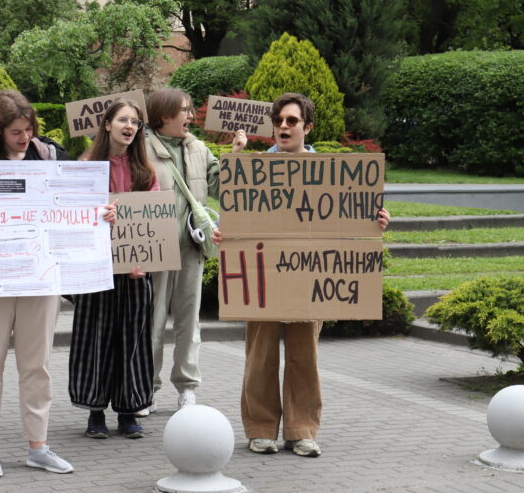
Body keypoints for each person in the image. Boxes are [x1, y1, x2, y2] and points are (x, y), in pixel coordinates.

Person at [229, 93, 390, 457]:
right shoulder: (254, 170)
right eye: (278, 121)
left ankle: (301, 430)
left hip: (308, 276)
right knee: (260, 357)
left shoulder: (330, 173)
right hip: (264, 276)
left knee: (305, 357)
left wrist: (375, 223)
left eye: (292, 120)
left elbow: (348, 220)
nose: (283, 126)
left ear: (308, 127)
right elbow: (237, 220)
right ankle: (261, 429)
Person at [0, 89, 86, 478]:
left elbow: (74, 204)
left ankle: (38, 447)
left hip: (40, 277)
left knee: (37, 366)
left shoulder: (50, 156)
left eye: (28, 129)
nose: (24, 137)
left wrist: (99, 214)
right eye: (16, 132)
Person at [68, 100, 159, 440]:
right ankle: (95, 413)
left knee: (132, 340)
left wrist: (144, 263)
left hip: (135, 271)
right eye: (123, 120)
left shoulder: (146, 171)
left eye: (135, 122)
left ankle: (128, 411)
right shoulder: (86, 167)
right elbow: (71, 213)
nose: (129, 126)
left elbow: (154, 223)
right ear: (107, 124)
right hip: (96, 269)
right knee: (96, 339)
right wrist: (97, 213)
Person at [141, 87, 224, 413]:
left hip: (191, 248)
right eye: (185, 110)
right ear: (164, 115)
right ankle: (146, 388)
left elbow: (223, 187)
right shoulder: (141, 148)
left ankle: (187, 388)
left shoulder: (199, 148)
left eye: (190, 109)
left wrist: (236, 156)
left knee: (189, 324)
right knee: (151, 323)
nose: (191, 116)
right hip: (154, 250)